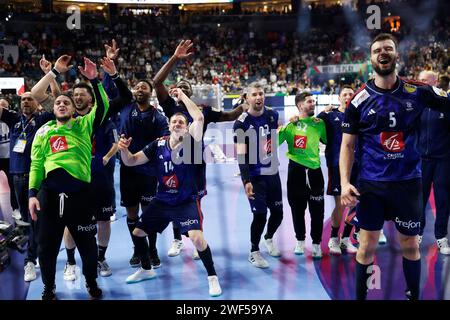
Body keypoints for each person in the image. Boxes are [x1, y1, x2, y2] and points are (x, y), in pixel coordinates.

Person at [340, 33, 450, 300]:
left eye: (388, 48)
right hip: (372, 186)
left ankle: (413, 295)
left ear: (396, 55)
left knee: (410, 245)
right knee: (366, 247)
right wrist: (344, 183)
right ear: (371, 58)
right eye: (377, 50)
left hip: (408, 184)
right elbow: (347, 146)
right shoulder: (358, 100)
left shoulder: (418, 91)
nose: (383, 53)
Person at [118, 87, 222, 297]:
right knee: (138, 233)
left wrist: (182, 96)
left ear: (186, 127)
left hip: (186, 201)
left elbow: (199, 117)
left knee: (198, 239)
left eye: (181, 122)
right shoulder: (158, 145)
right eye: (174, 121)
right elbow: (130, 161)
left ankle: (212, 278)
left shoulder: (192, 143)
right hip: (163, 201)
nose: (177, 124)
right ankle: (146, 269)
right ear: (169, 125)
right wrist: (123, 148)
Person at [153, 39, 247, 259]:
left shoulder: (202, 110)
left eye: (187, 87)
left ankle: (198, 239)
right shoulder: (170, 107)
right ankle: (177, 240)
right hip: (173, 159)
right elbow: (157, 82)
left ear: (191, 92)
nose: (183, 88)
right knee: (173, 197)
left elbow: (230, 116)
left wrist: (244, 104)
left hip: (195, 162)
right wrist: (175, 58)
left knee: (194, 201)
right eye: (180, 86)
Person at [28, 56, 109, 300]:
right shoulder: (44, 131)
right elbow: (37, 164)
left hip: (80, 196)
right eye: (59, 102)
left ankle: (91, 283)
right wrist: (32, 194)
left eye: (67, 102)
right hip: (49, 196)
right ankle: (49, 288)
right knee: (47, 246)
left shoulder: (84, 125)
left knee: (86, 244)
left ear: (74, 109)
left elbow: (103, 107)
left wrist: (95, 81)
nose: (62, 104)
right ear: (53, 109)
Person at [102, 40, 169, 269]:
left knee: (148, 214)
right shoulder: (126, 106)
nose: (139, 89)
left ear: (151, 93)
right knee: (131, 214)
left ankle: (151, 249)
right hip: (128, 171)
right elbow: (118, 87)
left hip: (149, 172)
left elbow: (165, 143)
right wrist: (112, 65)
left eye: (144, 88)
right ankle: (137, 250)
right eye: (137, 87)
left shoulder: (158, 118)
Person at [233, 82, 283, 268]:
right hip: (255, 175)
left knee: (278, 214)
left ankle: (268, 237)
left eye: (261, 93)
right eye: (254, 94)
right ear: (247, 98)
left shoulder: (272, 115)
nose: (258, 97)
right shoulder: (241, 123)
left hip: (272, 173)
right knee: (260, 215)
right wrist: (246, 180)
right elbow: (241, 153)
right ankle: (254, 251)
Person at [278, 92, 326, 258]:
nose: (313, 103)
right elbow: (272, 142)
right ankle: (299, 241)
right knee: (297, 209)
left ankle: (316, 243)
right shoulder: (290, 126)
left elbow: (328, 141)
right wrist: (283, 127)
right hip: (296, 172)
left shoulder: (319, 124)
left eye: (314, 101)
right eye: (309, 101)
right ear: (299, 106)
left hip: (315, 173)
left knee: (317, 211)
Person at [316, 86, 359, 255]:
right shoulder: (330, 115)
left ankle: (346, 239)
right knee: (341, 203)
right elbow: (313, 124)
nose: (348, 96)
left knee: (355, 203)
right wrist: (322, 112)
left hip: (358, 164)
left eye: (350, 94)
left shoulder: (358, 114)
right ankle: (333, 238)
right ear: (339, 97)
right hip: (336, 165)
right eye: (344, 94)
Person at [416, 70, 450, 254]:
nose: (420, 83)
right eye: (419, 80)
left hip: (443, 160)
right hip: (422, 160)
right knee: (418, 200)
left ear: (435, 81)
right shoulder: (416, 104)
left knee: (443, 200)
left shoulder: (446, 103)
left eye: (424, 80)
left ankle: (441, 237)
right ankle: (417, 233)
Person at [0, 97, 20, 220]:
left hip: (8, 158)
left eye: (4, 106)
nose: (2, 108)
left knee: (13, 184)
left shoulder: (13, 119)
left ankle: (15, 207)